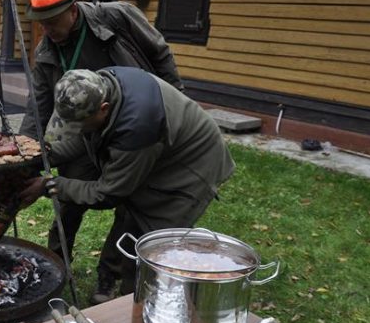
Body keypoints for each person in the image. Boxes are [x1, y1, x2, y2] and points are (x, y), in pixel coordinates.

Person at [20, 0, 184, 304]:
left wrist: (174, 102)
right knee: (69, 196)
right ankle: (56, 262)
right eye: (42, 24)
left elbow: (160, 53)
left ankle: (110, 274)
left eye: (53, 22)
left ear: (72, 11)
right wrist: (25, 150)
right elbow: (38, 104)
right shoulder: (47, 50)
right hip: (85, 131)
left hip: (133, 124)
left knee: (129, 203)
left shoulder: (117, 16)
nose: (48, 30)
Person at [20, 67, 235, 295]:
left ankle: (134, 298)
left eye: (83, 123)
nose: (79, 129)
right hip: (157, 148)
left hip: (190, 166)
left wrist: (49, 185)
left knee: (152, 243)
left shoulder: (138, 126)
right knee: (129, 218)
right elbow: (83, 138)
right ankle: (111, 278)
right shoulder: (98, 85)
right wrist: (43, 156)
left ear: (104, 109)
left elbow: (108, 193)